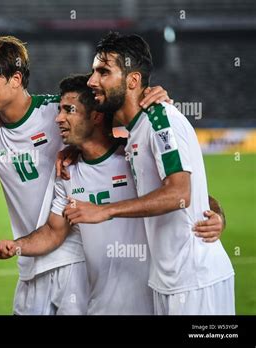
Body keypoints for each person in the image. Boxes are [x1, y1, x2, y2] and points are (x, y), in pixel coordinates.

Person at [0, 36, 181, 315]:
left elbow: (125, 116)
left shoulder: (58, 111)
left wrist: (155, 97)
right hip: (30, 260)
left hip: (75, 261)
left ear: (16, 79)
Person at [0, 74, 227, 315]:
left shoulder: (132, 157)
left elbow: (187, 194)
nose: (58, 118)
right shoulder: (68, 172)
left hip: (151, 302)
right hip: (98, 306)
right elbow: (53, 231)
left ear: (97, 115)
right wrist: (16, 246)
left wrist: (216, 215)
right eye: (59, 110)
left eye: (69, 110)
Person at [69, 32, 234, 315]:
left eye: (103, 72)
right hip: (166, 281)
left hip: (194, 280)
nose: (92, 81)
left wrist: (105, 210)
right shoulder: (136, 131)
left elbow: (180, 192)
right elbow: (185, 193)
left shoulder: (161, 118)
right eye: (94, 71)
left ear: (133, 80)